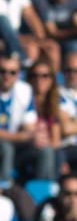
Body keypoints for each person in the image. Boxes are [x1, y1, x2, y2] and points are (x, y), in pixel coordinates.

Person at [0, 54, 52, 182]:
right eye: (2, 71)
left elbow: (28, 123)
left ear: (18, 75)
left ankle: (41, 193)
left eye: (12, 72)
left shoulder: (24, 90)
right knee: (6, 148)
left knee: (45, 148)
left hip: (17, 144)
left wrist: (35, 134)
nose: (7, 76)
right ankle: (4, 189)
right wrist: (22, 136)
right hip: (6, 145)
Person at [0, 0, 57, 67]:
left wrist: (40, 38)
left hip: (16, 37)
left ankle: (53, 81)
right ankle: (22, 60)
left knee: (52, 47)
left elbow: (32, 17)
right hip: (3, 38)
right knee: (3, 20)